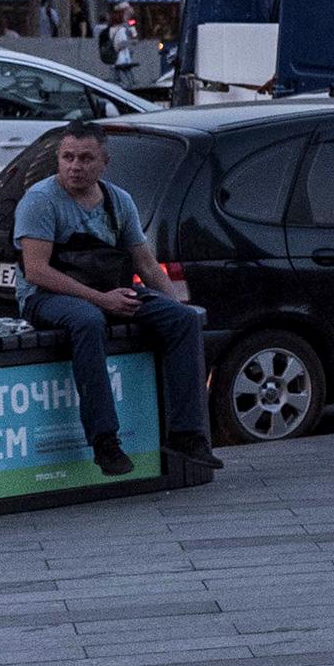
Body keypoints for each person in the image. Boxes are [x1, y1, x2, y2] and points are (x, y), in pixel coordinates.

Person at [13, 121, 215, 486]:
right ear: (57, 160)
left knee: (181, 320)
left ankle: (187, 434)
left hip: (107, 290)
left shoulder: (118, 200)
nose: (75, 166)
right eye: (67, 157)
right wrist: (101, 299)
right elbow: (36, 270)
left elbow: (146, 265)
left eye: (86, 158)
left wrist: (175, 306)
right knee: (88, 320)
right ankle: (104, 441)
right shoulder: (40, 200)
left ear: (104, 162)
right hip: (47, 297)